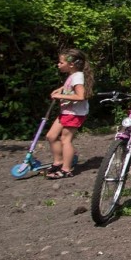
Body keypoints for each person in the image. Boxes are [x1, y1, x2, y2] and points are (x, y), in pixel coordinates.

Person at [45, 48, 91, 179]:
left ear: (71, 64)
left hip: (74, 113)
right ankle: (58, 161)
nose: (58, 65)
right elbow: (68, 88)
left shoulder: (77, 77)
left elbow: (81, 96)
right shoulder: (73, 75)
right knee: (51, 136)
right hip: (67, 111)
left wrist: (59, 96)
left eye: (61, 62)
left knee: (66, 139)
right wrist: (59, 90)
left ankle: (66, 169)